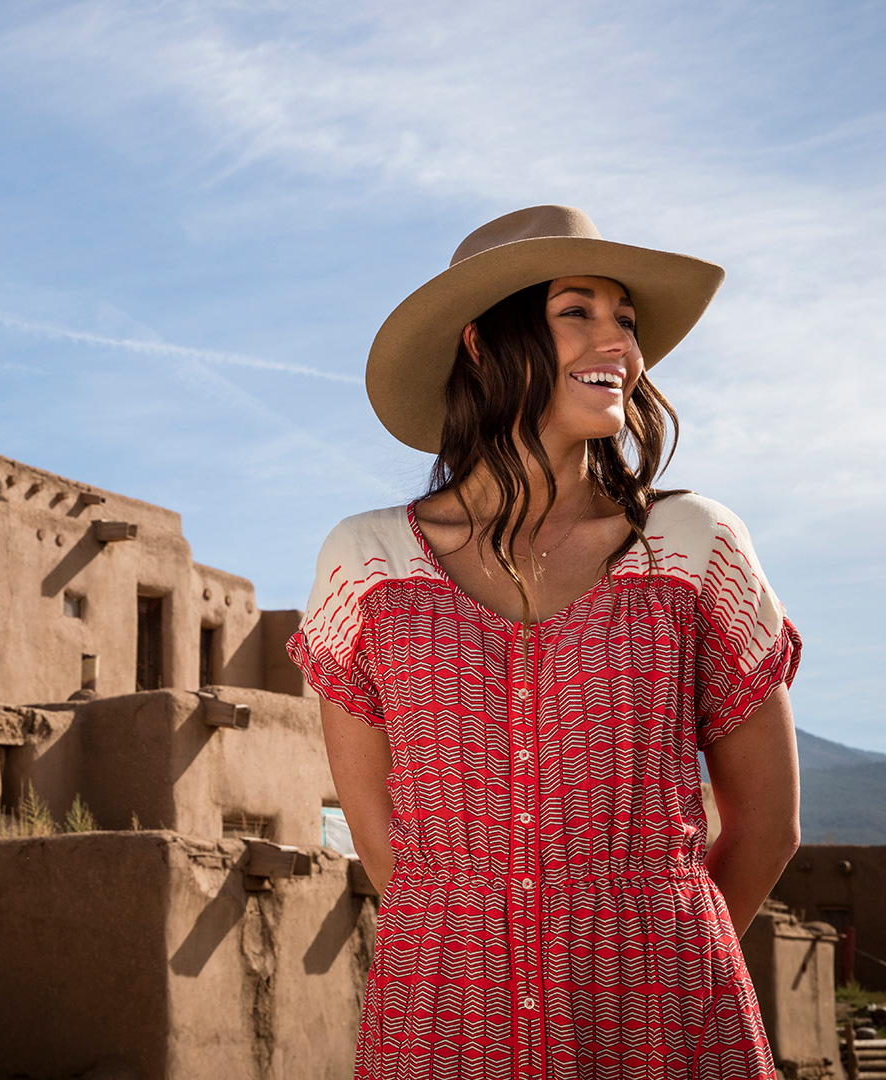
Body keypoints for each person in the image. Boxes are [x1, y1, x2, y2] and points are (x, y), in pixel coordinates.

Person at [288, 206, 802, 1079]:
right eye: (579, 311)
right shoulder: (365, 564)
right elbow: (384, 846)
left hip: (667, 1026)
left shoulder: (690, 546)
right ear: (486, 345)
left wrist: (663, 962)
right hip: (442, 1026)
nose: (622, 347)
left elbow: (767, 827)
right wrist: (476, 950)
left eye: (627, 320)